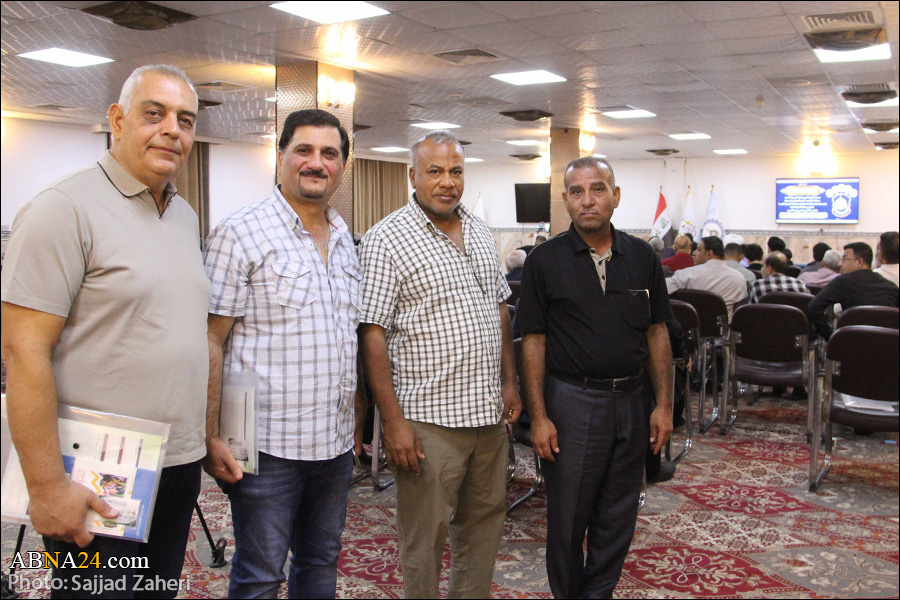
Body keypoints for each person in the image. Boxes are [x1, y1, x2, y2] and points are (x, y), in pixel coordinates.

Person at [1, 64, 208, 598]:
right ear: (117, 119)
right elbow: (23, 352)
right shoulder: (61, 209)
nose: (172, 130)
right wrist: (47, 487)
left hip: (175, 466)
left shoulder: (183, 216)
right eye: (154, 114)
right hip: (94, 469)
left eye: (185, 120)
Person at [203, 109, 361, 598]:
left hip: (334, 445)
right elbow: (209, 340)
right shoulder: (240, 232)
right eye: (303, 150)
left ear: (342, 165)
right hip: (266, 446)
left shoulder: (346, 240)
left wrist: (355, 423)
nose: (316, 163)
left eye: (329, 153)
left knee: (320, 563)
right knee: (260, 573)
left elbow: (347, 339)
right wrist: (209, 435)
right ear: (280, 156)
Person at [358, 130, 521, 599]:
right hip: (428, 422)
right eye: (435, 171)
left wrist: (509, 381)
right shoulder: (387, 238)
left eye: (455, 171)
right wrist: (392, 422)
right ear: (413, 176)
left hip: (487, 416)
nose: (447, 182)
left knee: (483, 529)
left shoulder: (480, 231)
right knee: (424, 540)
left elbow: (499, 308)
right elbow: (372, 332)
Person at [516, 156, 673, 599]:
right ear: (566, 200)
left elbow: (657, 332)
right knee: (568, 519)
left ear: (615, 196)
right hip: (572, 403)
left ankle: (599, 594)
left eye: (598, 189)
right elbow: (533, 341)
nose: (588, 200)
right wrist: (538, 417)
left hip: (633, 402)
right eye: (577, 192)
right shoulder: (544, 260)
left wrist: (663, 405)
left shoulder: (642, 256)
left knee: (618, 516)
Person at [807, 242, 900, 341]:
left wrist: (831, 337)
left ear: (859, 262)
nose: (840, 264)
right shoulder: (891, 287)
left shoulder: (843, 281)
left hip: (851, 344)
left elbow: (813, 307)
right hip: (886, 345)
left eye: (844, 258)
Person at [666, 236, 748, 319]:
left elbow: (663, 290)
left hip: (690, 325)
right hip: (723, 326)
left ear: (709, 253)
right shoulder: (739, 278)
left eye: (699, 250)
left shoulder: (686, 275)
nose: (694, 253)